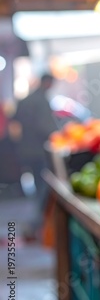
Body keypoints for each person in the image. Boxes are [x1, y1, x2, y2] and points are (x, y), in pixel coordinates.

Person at [11, 73, 58, 235]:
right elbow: (46, 127)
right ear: (47, 82)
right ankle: (35, 225)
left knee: (38, 187)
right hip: (39, 151)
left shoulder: (25, 100)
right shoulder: (41, 100)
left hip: (25, 150)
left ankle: (36, 224)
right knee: (42, 187)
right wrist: (58, 136)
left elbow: (15, 122)